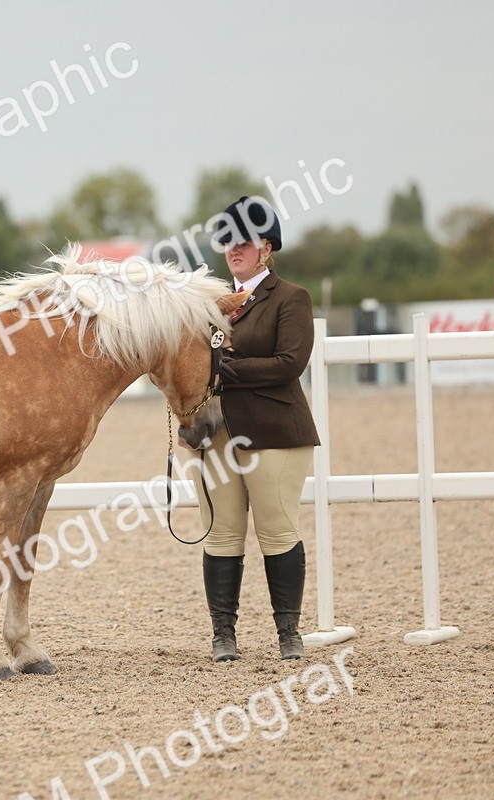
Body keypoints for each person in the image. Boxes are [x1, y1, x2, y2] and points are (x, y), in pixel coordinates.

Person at [192, 196, 320, 662]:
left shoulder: (290, 298)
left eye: (243, 241)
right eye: (228, 241)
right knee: (221, 533)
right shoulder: (207, 303)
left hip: (274, 431)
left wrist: (223, 370)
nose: (233, 249)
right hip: (214, 434)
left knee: (277, 531)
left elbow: (289, 364)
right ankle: (222, 635)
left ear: (267, 248)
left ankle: (289, 633)